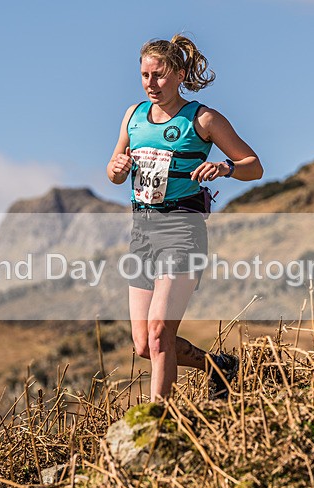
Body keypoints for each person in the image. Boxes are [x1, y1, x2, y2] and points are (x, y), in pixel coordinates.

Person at [106, 34, 263, 401]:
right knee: (144, 344)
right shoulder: (133, 117)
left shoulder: (203, 118)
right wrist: (116, 167)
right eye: (144, 75)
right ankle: (219, 368)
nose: (151, 84)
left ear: (178, 74)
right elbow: (114, 174)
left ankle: (158, 423)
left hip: (182, 230)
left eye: (158, 75)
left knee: (160, 333)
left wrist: (224, 167)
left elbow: (253, 166)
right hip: (141, 232)